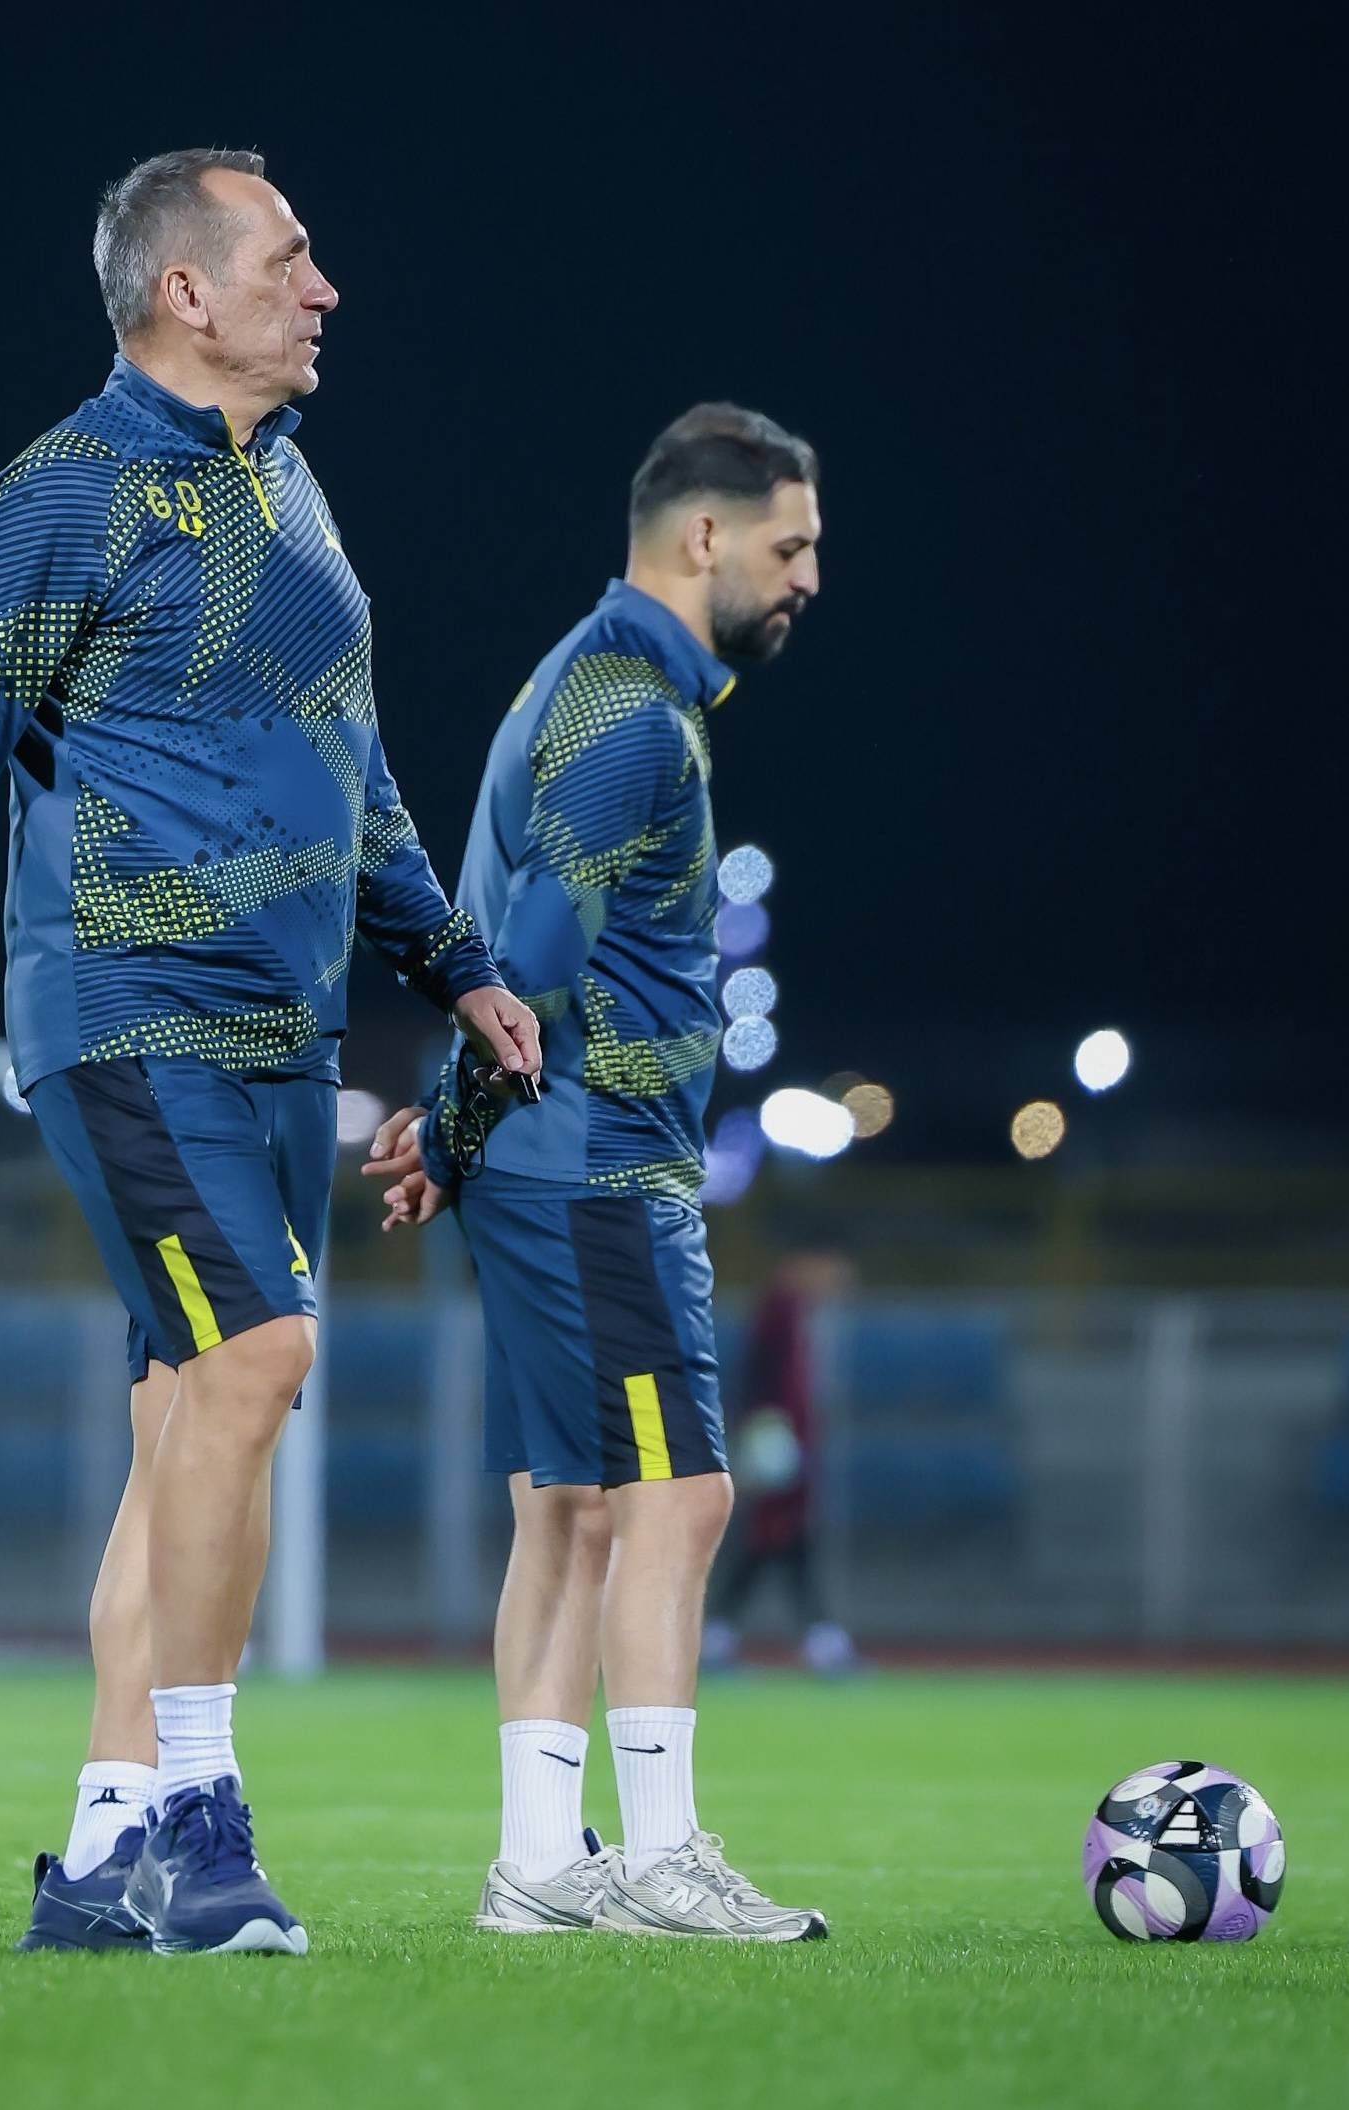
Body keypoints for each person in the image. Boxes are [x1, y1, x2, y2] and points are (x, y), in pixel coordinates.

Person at [0, 148, 539, 1957]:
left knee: (193, 1423)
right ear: (185, 292)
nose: (324, 288)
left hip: (284, 1031)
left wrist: (454, 965)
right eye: (291, 257)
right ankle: (203, 1827)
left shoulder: (290, 482)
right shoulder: (54, 495)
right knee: (264, 1357)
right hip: (129, 1007)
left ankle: (104, 1844)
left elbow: (352, 763)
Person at [362, 404, 827, 1940]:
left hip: (540, 1157)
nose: (807, 577)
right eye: (789, 545)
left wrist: (453, 1133)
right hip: (600, 1160)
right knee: (680, 1495)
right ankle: (661, 1853)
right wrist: (454, 1124)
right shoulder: (633, 710)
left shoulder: (591, 679)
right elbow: (537, 953)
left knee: (567, 1507)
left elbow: (514, 948)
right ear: (705, 534)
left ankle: (539, 1865)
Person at [703, 1249, 862, 1674]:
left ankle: (723, 1636)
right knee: (775, 1535)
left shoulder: (793, 1313)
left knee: (774, 1540)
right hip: (777, 1440)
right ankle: (820, 1641)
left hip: (784, 1438)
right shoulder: (778, 1313)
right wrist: (767, 1437)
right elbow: (763, 1381)